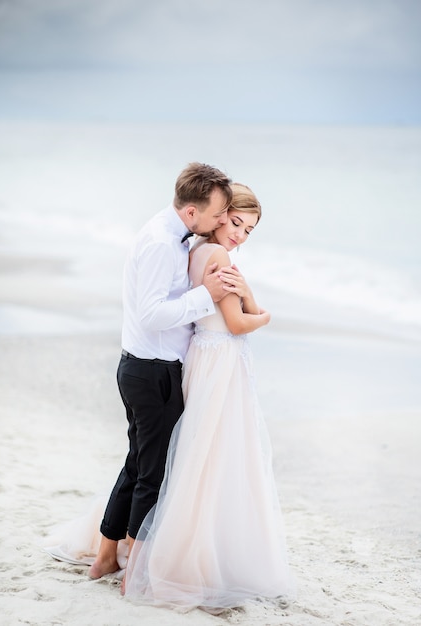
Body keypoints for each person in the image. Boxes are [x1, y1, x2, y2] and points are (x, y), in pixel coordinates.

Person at [124, 183, 294, 611]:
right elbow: (239, 322)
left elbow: (230, 307)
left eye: (249, 230)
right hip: (220, 364)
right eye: (235, 222)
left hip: (202, 358)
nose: (240, 234)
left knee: (195, 456)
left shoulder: (195, 249)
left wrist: (251, 298)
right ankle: (199, 553)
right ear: (219, 216)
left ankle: (142, 547)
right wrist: (267, 314)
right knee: (216, 459)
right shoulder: (217, 257)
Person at [87, 162, 234, 580]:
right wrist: (206, 296)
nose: (222, 221)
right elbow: (152, 315)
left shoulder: (169, 233)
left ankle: (104, 560)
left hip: (144, 368)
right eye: (218, 213)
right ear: (192, 213)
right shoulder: (162, 245)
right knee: (152, 474)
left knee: (137, 466)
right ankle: (135, 571)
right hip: (152, 373)